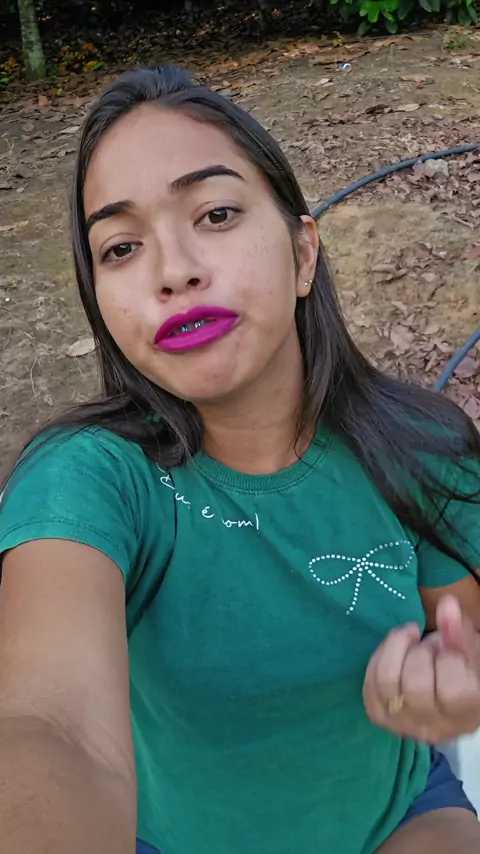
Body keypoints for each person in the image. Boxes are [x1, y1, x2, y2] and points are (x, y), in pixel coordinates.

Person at [0, 65, 479, 854]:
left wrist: (457, 680)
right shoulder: (86, 481)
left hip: (401, 814)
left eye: (216, 213)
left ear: (303, 252)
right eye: (121, 247)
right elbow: (52, 726)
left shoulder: (422, 450)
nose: (173, 271)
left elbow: (467, 630)